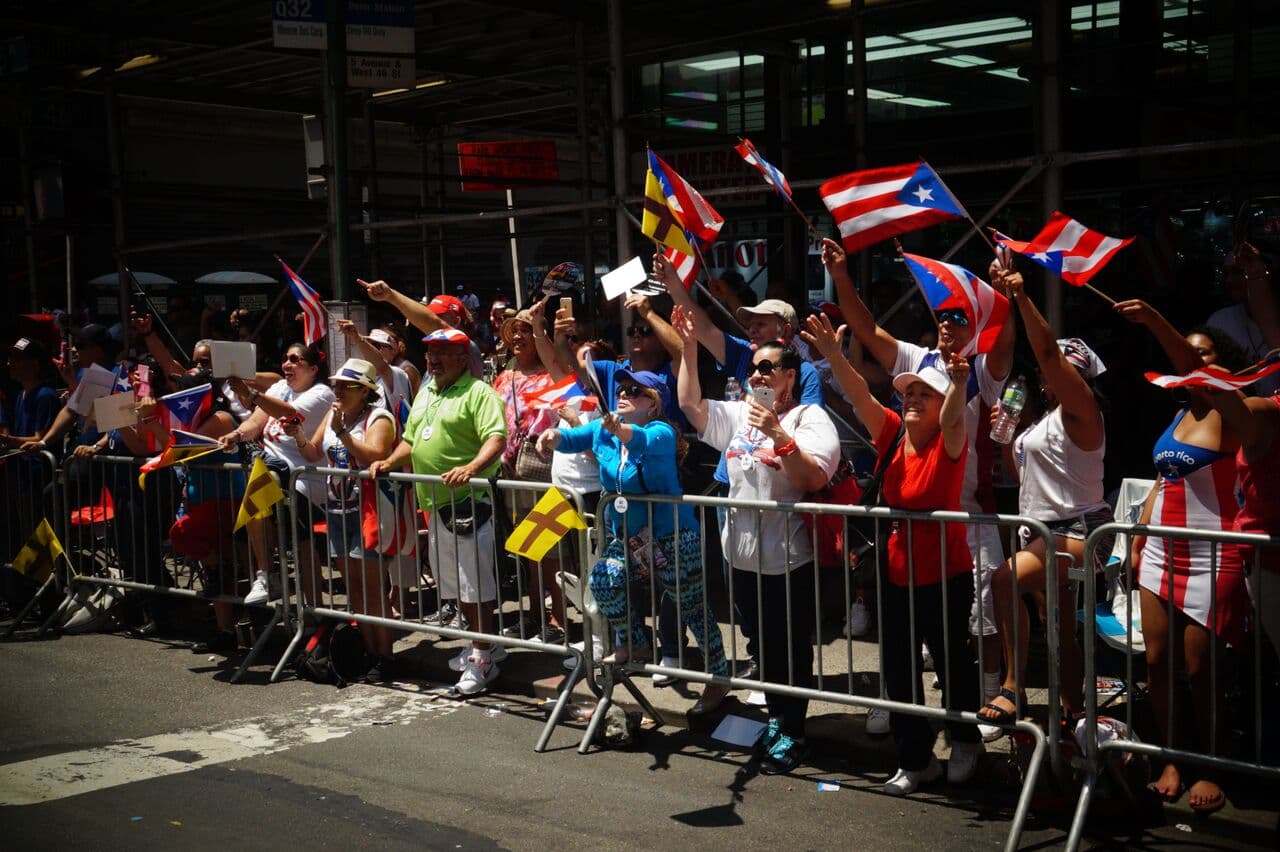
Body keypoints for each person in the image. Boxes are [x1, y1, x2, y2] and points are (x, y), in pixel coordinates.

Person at [826, 237, 1015, 740]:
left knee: (978, 627)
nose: (948, 325)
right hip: (907, 535)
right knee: (906, 640)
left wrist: (1007, 301)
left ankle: (983, 705)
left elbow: (967, 404)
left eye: (960, 319)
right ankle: (906, 721)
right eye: (943, 318)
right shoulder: (915, 363)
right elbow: (865, 335)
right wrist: (841, 276)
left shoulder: (980, 367)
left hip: (967, 513)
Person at [802, 310, 983, 794]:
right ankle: (916, 758)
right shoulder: (892, 435)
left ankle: (966, 742)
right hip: (895, 572)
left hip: (945, 574)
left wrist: (959, 386)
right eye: (908, 393)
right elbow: (860, 394)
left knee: (951, 663)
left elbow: (952, 417)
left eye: (925, 393)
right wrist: (835, 355)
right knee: (899, 669)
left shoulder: (950, 442)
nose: (913, 399)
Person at [675, 305, 840, 773]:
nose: (758, 375)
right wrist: (688, 347)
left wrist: (777, 433)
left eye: (768, 367)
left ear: (791, 375)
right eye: (753, 368)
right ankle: (776, 720)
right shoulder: (739, 416)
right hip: (741, 556)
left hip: (787, 558)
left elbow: (812, 478)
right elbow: (691, 405)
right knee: (761, 648)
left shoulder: (810, 417)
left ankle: (794, 730)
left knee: (789, 649)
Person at [1115, 300, 1248, 814]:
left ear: (1224, 364)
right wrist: (1138, 534)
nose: (1193, 364)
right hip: (1161, 552)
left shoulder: (1227, 412)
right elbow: (1164, 478)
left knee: (1201, 670)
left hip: (1214, 553)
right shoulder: (1178, 413)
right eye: (1188, 355)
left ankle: (1211, 764)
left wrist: (1153, 320)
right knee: (1157, 662)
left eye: (1205, 355)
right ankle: (1172, 757)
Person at [538, 367, 729, 713]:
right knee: (603, 581)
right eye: (622, 389)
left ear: (653, 403)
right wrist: (552, 435)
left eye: (634, 391)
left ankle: (718, 679)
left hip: (673, 535)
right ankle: (636, 642)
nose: (624, 394)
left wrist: (619, 429)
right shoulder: (603, 430)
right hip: (629, 538)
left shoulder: (661, 432)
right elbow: (572, 437)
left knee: (693, 609)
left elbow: (637, 441)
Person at [980, 267, 1109, 730]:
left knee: (1005, 580)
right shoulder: (1043, 420)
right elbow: (1026, 481)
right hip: (1040, 528)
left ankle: (1014, 685)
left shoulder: (1083, 411)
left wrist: (1017, 294)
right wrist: (1005, 438)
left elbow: (1049, 354)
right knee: (1060, 626)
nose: (1054, 374)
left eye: (1068, 370)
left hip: (1080, 528)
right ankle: (1074, 712)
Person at [370, 328, 507, 695]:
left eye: (443, 352)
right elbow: (412, 441)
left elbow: (496, 438)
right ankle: (485, 643)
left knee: (474, 583)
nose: (432, 359)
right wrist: (388, 461)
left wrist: (472, 468)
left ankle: (483, 657)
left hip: (470, 503)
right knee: (455, 583)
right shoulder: (427, 391)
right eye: (430, 352)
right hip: (435, 503)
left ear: (463, 359)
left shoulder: (479, 393)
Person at [293, 358, 408, 680]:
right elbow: (313, 453)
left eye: (345, 386)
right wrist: (298, 435)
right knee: (353, 588)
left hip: (368, 511)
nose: (338, 390)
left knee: (372, 589)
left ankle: (385, 656)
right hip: (337, 509)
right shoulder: (333, 413)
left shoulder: (378, 417)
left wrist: (343, 432)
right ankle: (369, 652)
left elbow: (374, 455)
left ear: (364, 391)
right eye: (336, 385)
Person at [218, 342, 335, 604]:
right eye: (285, 359)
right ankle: (268, 575)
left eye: (295, 360)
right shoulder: (280, 387)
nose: (287, 364)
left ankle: (314, 610)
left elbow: (290, 414)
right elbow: (256, 422)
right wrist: (236, 435)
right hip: (271, 470)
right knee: (258, 501)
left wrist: (252, 395)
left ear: (313, 369)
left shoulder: (322, 393)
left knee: (303, 545)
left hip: (303, 479)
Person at [493, 307, 562, 640]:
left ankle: (560, 618)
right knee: (527, 549)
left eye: (526, 330)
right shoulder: (504, 376)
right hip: (511, 472)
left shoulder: (553, 373)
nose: (518, 336)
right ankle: (535, 615)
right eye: (514, 330)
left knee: (553, 552)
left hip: (544, 470)